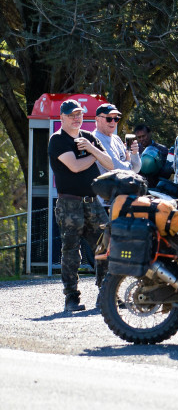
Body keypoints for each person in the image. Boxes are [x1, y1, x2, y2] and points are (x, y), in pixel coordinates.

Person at [49, 99, 114, 312]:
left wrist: (91, 148)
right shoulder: (57, 140)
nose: (76, 118)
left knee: (105, 247)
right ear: (62, 118)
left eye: (79, 114)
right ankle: (72, 298)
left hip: (93, 202)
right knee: (71, 251)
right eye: (71, 115)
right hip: (70, 204)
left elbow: (110, 163)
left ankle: (106, 295)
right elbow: (75, 166)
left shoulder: (88, 138)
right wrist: (94, 155)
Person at [93, 103, 140, 173]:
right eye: (109, 118)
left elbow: (136, 169)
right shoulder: (95, 139)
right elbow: (116, 168)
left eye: (116, 119)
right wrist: (128, 162)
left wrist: (134, 153)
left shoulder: (116, 138)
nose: (113, 122)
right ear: (97, 119)